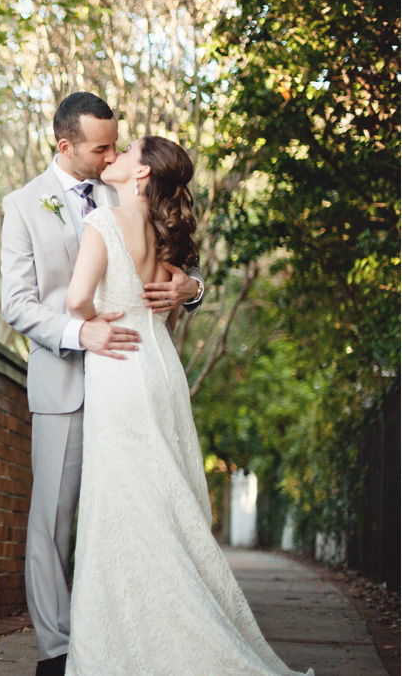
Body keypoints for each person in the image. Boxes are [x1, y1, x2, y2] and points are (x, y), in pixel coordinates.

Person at [63, 136, 312, 676]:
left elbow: (75, 301)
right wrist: (179, 293)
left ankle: (131, 645)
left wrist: (95, 322)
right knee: (162, 501)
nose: (114, 158)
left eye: (124, 152)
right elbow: (180, 298)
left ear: (143, 172)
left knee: (124, 508)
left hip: (119, 369)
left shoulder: (104, 224)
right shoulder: (166, 235)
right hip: (161, 372)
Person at [0, 92, 205, 676]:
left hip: (132, 382)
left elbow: (175, 259)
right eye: (101, 147)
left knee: (138, 513)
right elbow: (16, 303)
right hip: (65, 383)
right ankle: (58, 651)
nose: (112, 152)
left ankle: (131, 633)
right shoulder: (22, 205)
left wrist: (193, 289)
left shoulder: (128, 195)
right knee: (53, 522)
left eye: (118, 143)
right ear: (66, 146)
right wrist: (76, 333)